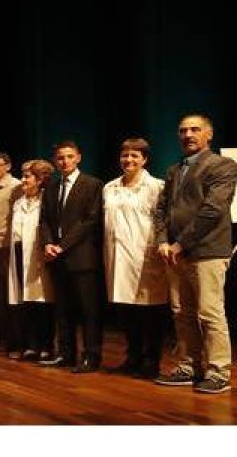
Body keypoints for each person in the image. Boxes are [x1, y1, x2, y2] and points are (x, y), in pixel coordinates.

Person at [153, 114, 237, 394]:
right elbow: (161, 210)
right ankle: (189, 366)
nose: (188, 134)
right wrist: (163, 240)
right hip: (175, 253)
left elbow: (212, 211)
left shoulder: (222, 165)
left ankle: (218, 372)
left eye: (195, 129)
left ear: (209, 134)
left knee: (210, 313)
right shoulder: (174, 170)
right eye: (183, 130)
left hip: (208, 251)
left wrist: (180, 244)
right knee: (182, 313)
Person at [102, 138, 168, 379]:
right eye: (125, 156)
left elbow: (163, 222)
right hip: (117, 258)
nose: (128, 160)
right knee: (126, 310)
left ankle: (152, 360)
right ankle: (133, 356)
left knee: (149, 311)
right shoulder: (109, 187)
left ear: (145, 159)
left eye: (134, 156)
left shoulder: (157, 187)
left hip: (145, 256)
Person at [39, 141, 105, 373]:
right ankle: (66, 354)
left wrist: (62, 245)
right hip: (57, 257)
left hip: (82, 257)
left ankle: (91, 356)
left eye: (69, 156)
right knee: (63, 310)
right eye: (60, 158)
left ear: (78, 158)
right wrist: (48, 243)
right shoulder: (52, 186)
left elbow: (90, 220)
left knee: (88, 310)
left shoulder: (92, 184)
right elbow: (45, 219)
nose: (64, 161)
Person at [8, 160, 56, 363]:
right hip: (19, 253)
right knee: (25, 301)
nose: (23, 180)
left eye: (27, 176)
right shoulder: (19, 202)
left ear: (40, 180)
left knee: (42, 303)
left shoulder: (46, 201)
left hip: (38, 255)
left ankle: (46, 346)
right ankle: (29, 344)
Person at [0, 151, 23, 355]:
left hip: (8, 247)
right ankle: (5, 340)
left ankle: (17, 343)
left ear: (8, 166)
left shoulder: (15, 186)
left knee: (12, 298)